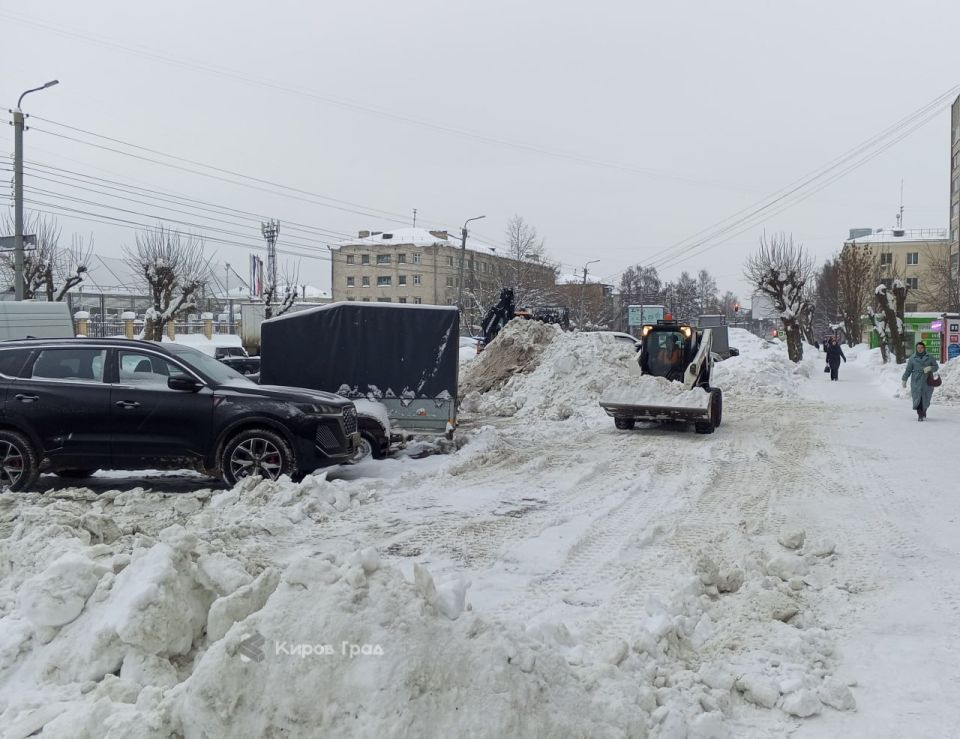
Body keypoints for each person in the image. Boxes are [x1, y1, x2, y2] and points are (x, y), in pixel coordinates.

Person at [901, 342, 939, 421]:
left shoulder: (930, 357)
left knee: (926, 397)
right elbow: (908, 370)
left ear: (924, 348)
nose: (920, 349)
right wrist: (904, 379)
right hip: (916, 381)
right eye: (918, 348)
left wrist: (930, 368)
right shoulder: (912, 358)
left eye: (921, 348)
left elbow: (936, 367)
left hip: (927, 381)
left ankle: (924, 410)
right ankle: (920, 414)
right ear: (916, 348)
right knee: (918, 397)